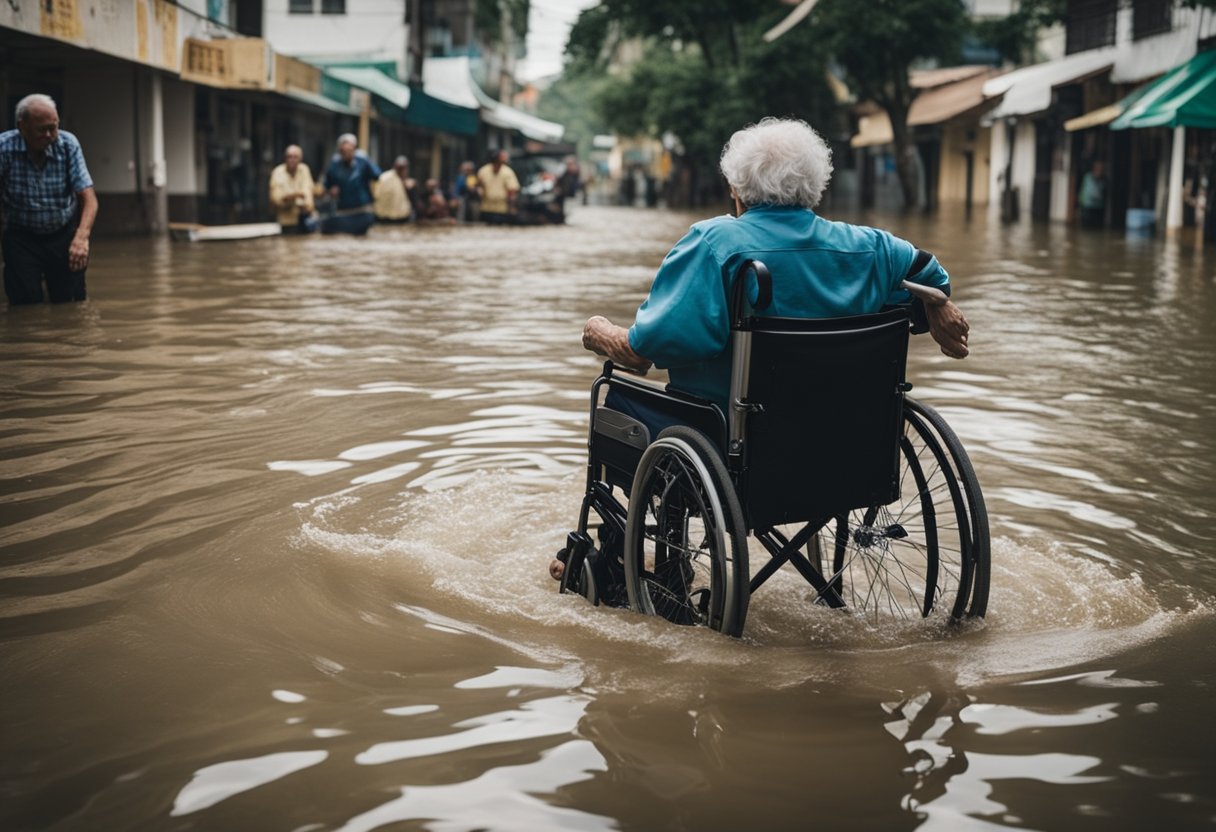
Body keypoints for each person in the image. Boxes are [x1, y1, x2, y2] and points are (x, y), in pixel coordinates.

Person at [581, 116, 970, 429]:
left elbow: (645, 351)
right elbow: (932, 279)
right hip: (844, 432)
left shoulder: (715, 243)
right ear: (817, 184)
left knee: (614, 402)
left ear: (737, 187)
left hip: (732, 435)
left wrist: (601, 331)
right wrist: (939, 305)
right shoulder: (871, 247)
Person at [0, 93, 97, 305]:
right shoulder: (4, 147)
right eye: (41, 129)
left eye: (53, 127)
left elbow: (88, 197)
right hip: (21, 236)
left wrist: (81, 238)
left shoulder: (68, 144)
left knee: (70, 301)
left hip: (63, 234)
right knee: (24, 303)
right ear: (22, 127)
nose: (49, 134)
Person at [321, 134, 380, 234]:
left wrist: (367, 161)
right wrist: (331, 190)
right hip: (344, 212)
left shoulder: (362, 161)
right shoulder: (334, 164)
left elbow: (377, 175)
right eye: (344, 151)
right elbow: (326, 185)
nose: (347, 154)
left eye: (350, 150)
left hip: (362, 211)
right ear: (340, 151)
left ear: (354, 150)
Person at [268, 144, 316, 233]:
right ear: (285, 158)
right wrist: (294, 196)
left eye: (295, 157)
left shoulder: (304, 169)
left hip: (306, 219)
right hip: (287, 222)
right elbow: (276, 198)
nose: (292, 160)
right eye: (289, 157)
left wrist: (304, 202)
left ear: (300, 159)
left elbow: (308, 191)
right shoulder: (277, 172)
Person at [476, 149, 519, 225]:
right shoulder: (483, 171)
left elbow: (512, 191)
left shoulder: (508, 172)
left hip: (502, 209)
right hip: (486, 208)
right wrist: (479, 192)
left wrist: (512, 207)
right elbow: (479, 186)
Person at [373, 155, 416, 224]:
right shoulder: (386, 178)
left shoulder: (402, 180)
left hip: (398, 217)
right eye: (400, 168)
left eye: (404, 168)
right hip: (386, 217)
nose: (403, 170)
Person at [1078, 160, 1107, 229]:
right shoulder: (1087, 177)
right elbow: (1084, 192)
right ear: (1094, 169)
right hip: (1087, 207)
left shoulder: (1103, 180)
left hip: (1098, 208)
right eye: (1098, 169)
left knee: (1097, 228)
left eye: (1101, 170)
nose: (1099, 171)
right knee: (1086, 228)